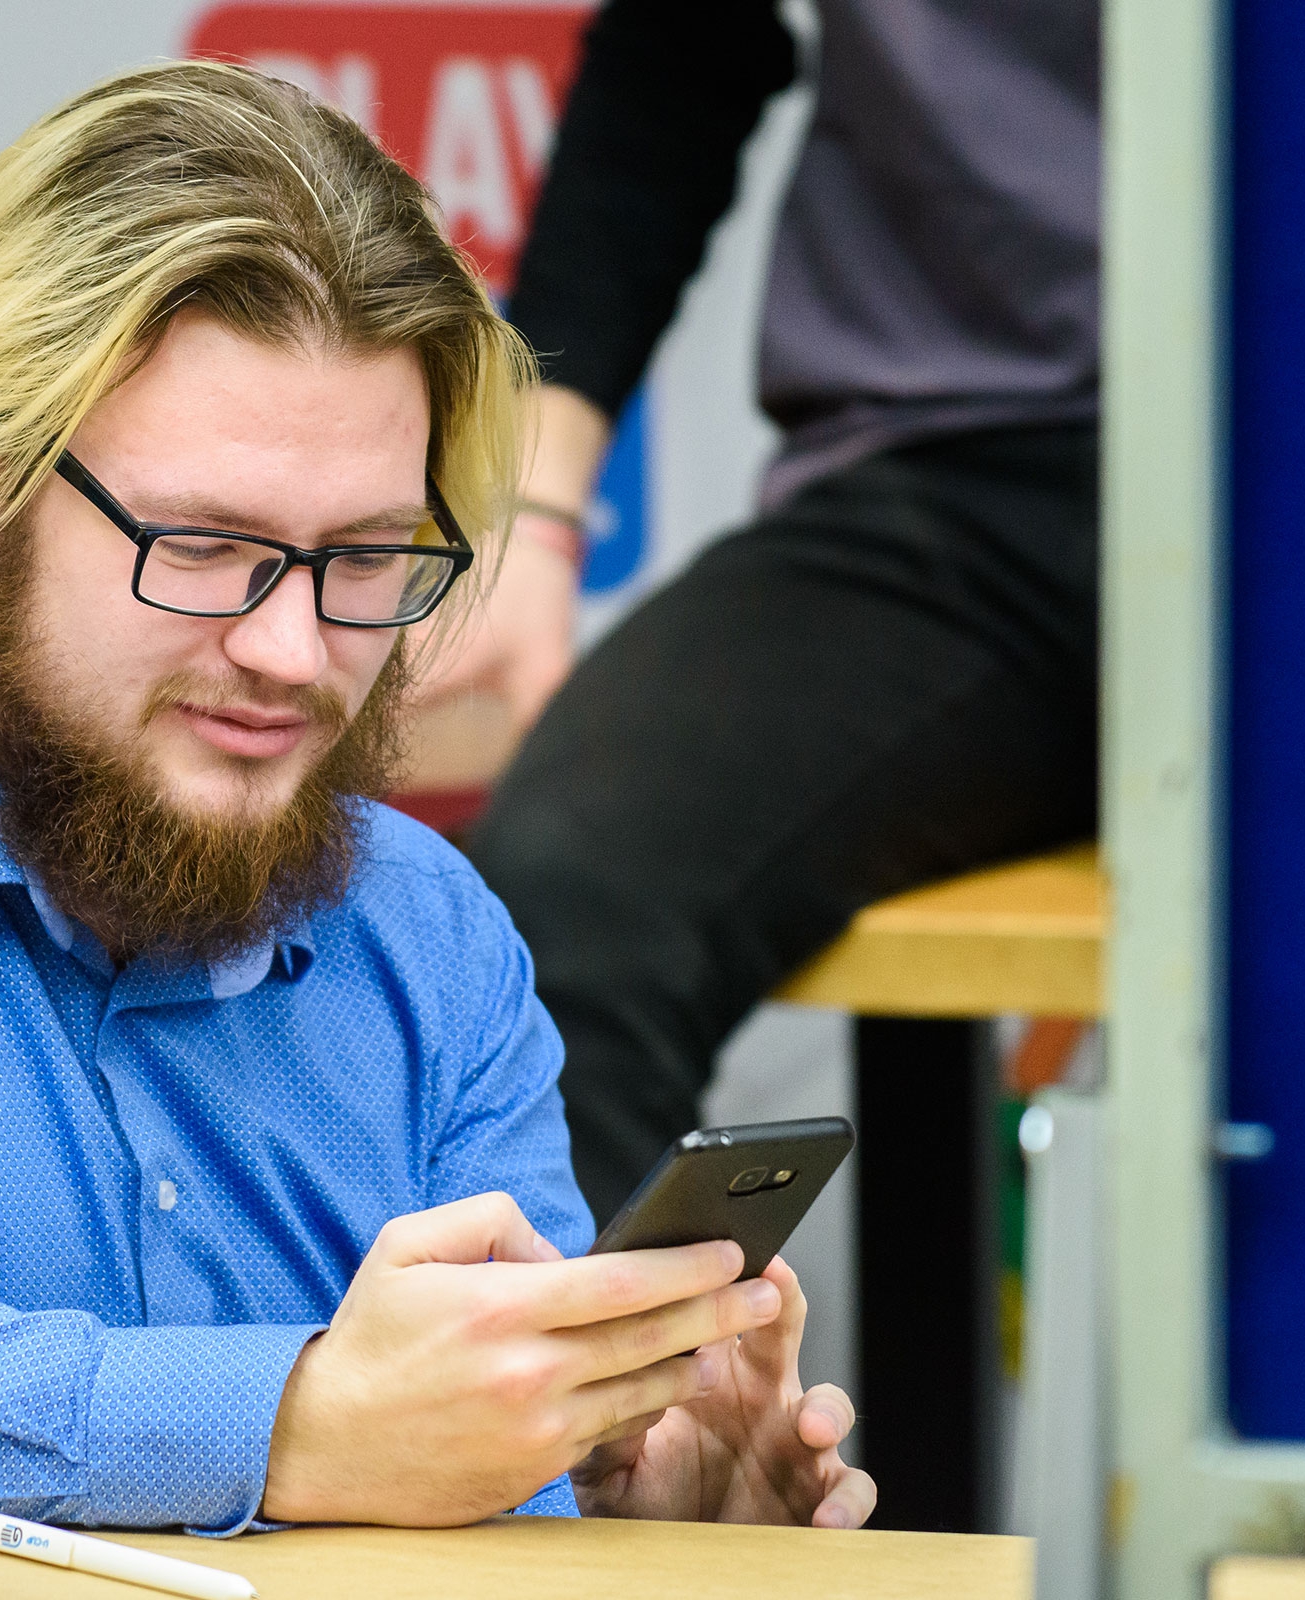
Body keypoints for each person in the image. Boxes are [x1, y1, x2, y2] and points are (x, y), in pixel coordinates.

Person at [0, 62, 876, 1533]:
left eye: (367, 558)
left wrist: (628, 1526)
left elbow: (492, 1497)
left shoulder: (431, 936)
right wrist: (280, 1425)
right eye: (201, 547)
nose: (293, 652)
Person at [440, 0, 1102, 1222]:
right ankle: (619, 1354)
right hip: (955, 473)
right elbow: (682, 47)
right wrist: (531, 515)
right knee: (562, 912)